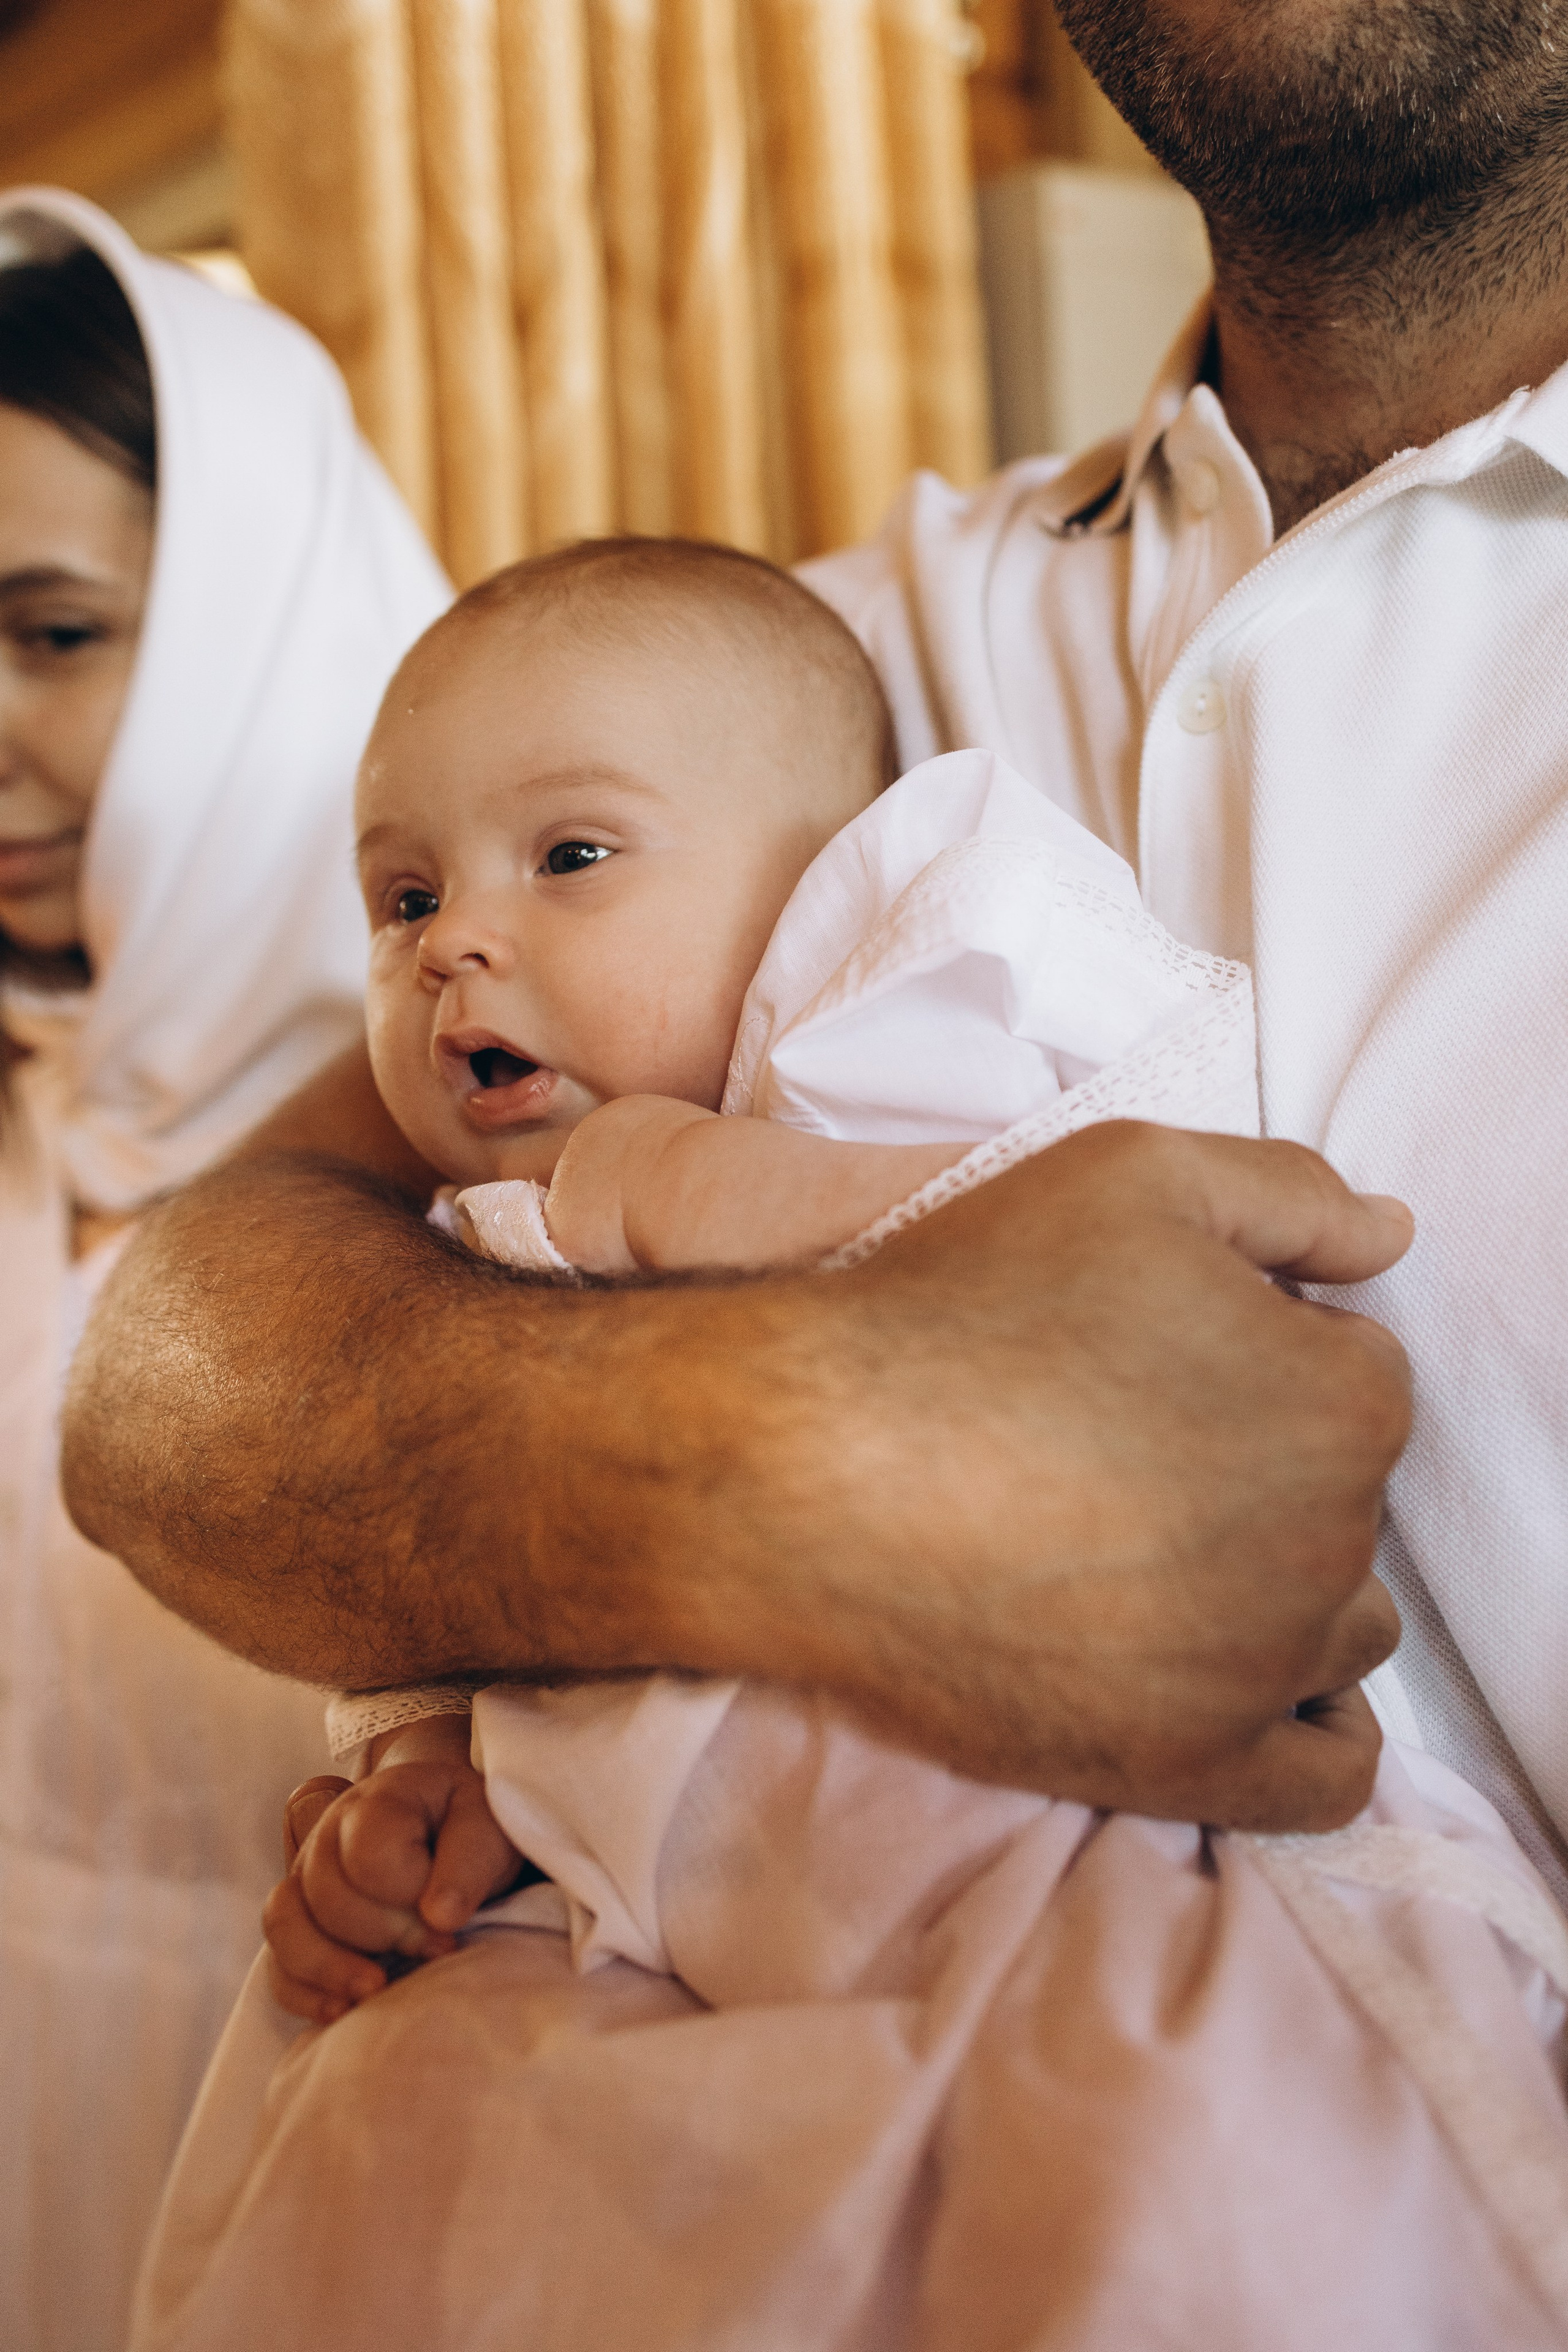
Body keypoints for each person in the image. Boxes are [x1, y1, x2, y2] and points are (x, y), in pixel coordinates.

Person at [140, 540, 1568, 2351]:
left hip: (1075, 1879)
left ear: (830, 890)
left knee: (1187, 2189)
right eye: (399, 897)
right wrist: (423, 1758)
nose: (451, 946)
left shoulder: (917, 979)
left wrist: (699, 1195)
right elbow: (207, 1386)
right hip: (655, 1940)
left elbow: (1102, 1248)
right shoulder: (473, 1207)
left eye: (569, 860)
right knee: (393, 2140)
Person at [0, 185, 448, 2352]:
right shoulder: (34, 1094)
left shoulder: (487, 1166)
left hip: (349, 2195)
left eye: (55, 634)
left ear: (258, 619)